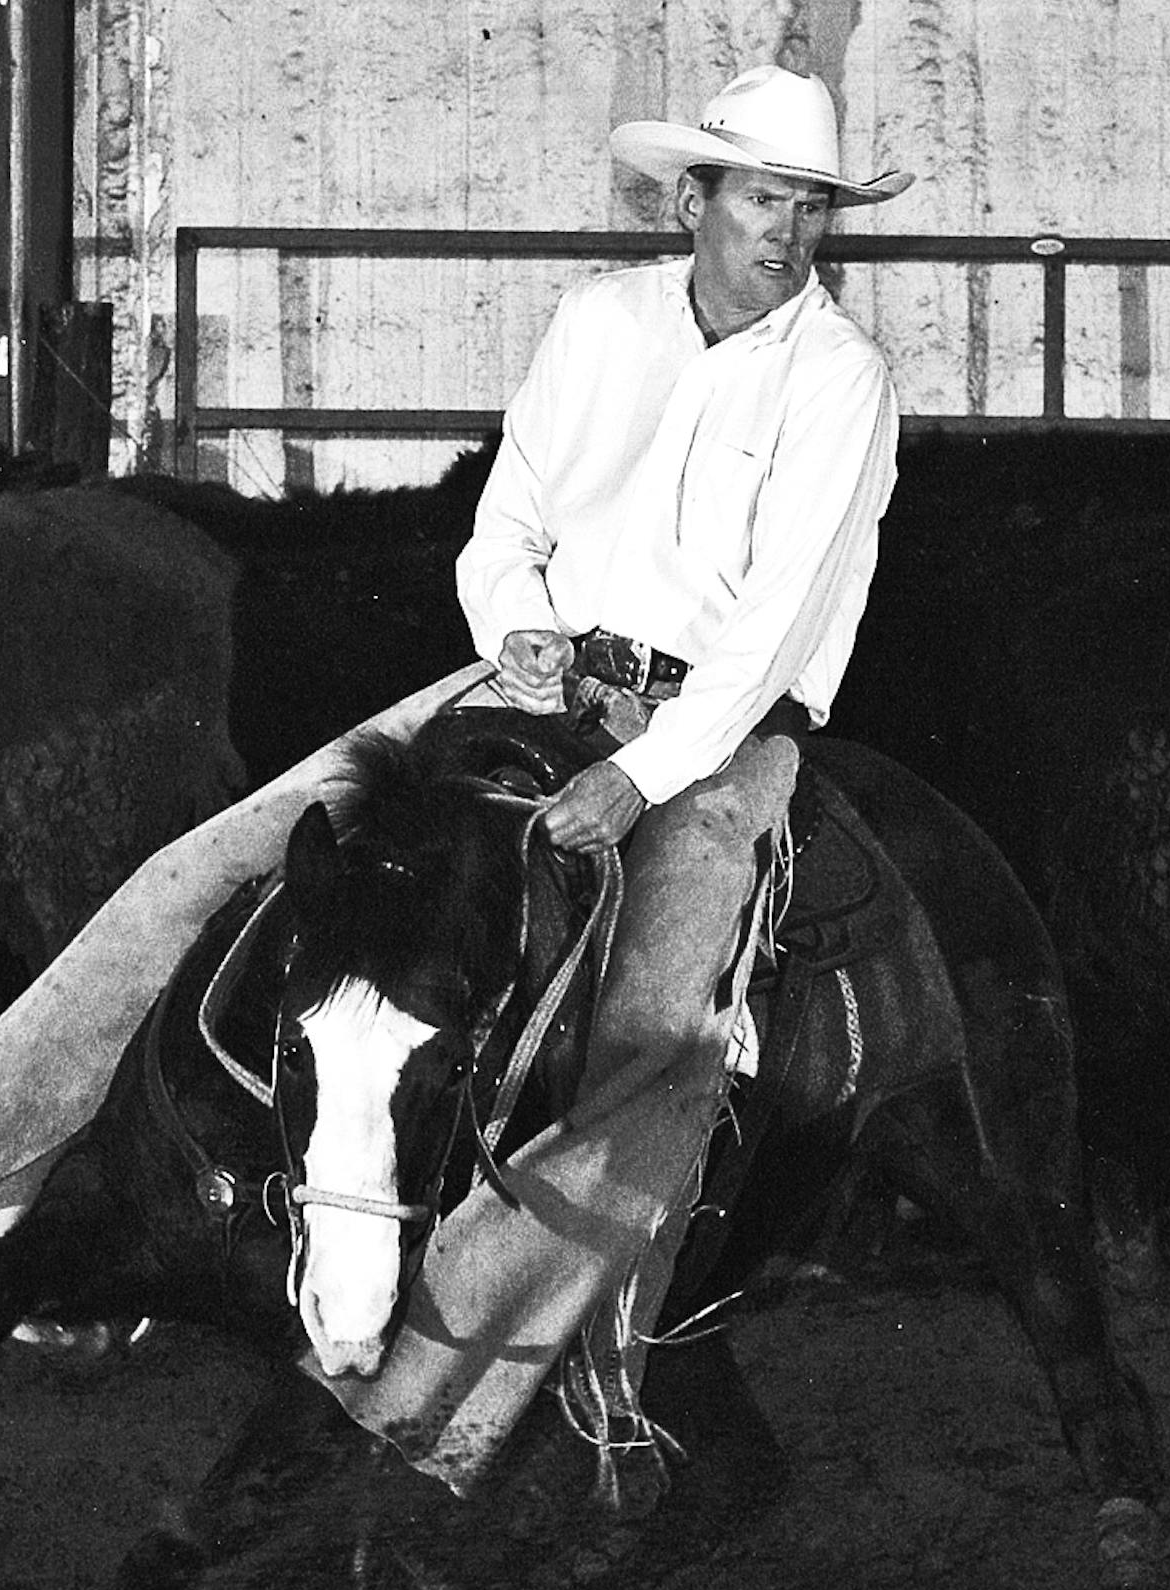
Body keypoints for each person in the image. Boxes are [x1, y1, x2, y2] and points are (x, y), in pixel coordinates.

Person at [309, 62, 916, 1508]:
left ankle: (596, 1378)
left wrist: (641, 779)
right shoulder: (597, 322)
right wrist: (514, 616)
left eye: (811, 207)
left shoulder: (840, 376)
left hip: (713, 731)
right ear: (694, 199)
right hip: (537, 684)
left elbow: (774, 630)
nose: (789, 232)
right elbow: (507, 516)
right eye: (763, 198)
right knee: (280, 859)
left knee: (651, 1034)